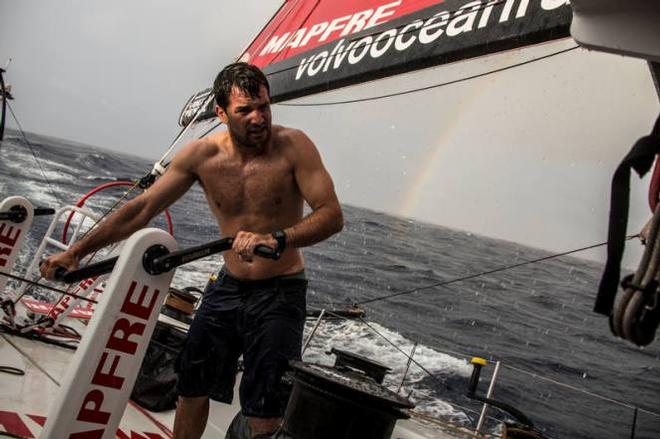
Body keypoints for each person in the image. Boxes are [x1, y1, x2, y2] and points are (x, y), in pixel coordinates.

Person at [40, 62, 344, 438]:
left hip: (280, 291)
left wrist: (278, 238)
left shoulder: (294, 146)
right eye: (244, 110)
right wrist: (76, 252)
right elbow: (143, 207)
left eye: (264, 106)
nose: (258, 118)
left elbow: (331, 215)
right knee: (191, 385)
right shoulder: (201, 156)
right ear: (220, 112)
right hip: (228, 286)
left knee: (266, 406)